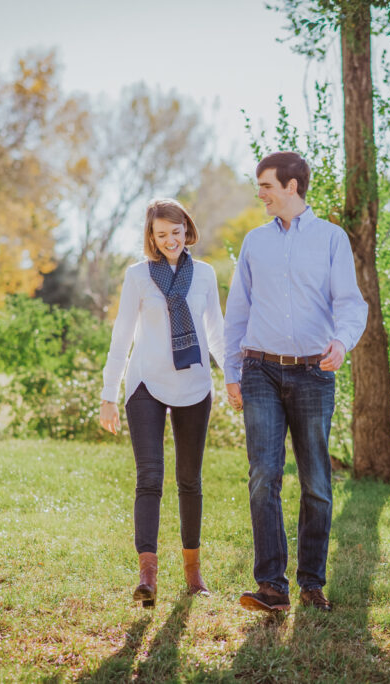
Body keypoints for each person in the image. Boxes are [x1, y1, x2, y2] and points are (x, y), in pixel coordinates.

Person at [224, 151, 367, 612]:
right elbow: (238, 311)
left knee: (316, 483)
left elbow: (350, 303)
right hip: (260, 369)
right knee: (264, 475)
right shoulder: (255, 242)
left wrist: (341, 342)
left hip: (313, 372)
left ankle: (311, 584)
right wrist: (231, 372)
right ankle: (271, 587)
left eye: (266, 185)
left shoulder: (331, 239)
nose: (260, 194)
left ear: (291, 186)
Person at [99, 198, 225, 608]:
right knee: (149, 478)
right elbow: (122, 336)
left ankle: (193, 574)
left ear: (187, 229)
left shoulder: (204, 275)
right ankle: (147, 577)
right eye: (161, 234)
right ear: (151, 238)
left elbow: (217, 333)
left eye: (176, 231)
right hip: (145, 385)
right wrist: (108, 395)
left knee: (190, 480)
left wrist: (235, 377)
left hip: (194, 385)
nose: (170, 240)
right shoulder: (138, 276)